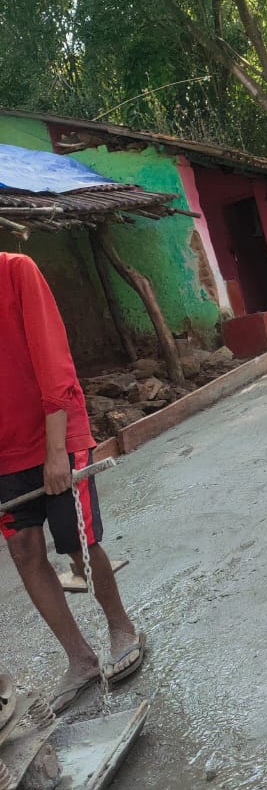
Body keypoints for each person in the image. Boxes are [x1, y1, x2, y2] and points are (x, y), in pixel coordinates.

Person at [0, 251, 145, 713]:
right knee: (24, 552)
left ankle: (121, 627)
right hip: (4, 455)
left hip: (54, 433)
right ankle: (79, 658)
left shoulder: (15, 271)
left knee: (76, 541)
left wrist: (55, 452)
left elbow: (52, 361)